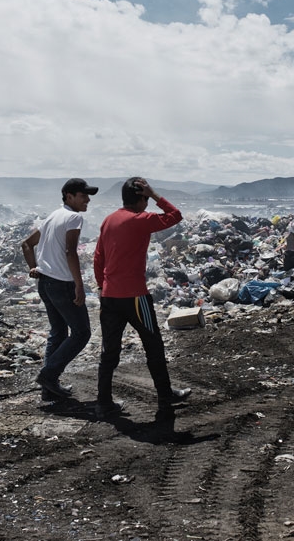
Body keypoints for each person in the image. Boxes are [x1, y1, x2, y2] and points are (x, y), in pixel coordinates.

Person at [92, 177, 192, 418]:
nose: (147, 203)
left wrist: (102, 286)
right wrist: (155, 194)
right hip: (135, 296)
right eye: (146, 199)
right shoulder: (141, 220)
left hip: (109, 296)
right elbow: (175, 215)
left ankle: (103, 402)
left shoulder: (108, 220)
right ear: (141, 199)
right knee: (153, 345)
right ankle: (165, 396)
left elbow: (98, 257)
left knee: (109, 351)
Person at [21, 178, 98, 401]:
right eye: (83, 196)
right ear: (69, 196)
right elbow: (70, 252)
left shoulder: (52, 216)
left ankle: (49, 388)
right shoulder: (74, 217)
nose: (87, 200)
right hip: (62, 284)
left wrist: (34, 267)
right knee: (81, 333)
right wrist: (79, 285)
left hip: (45, 283)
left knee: (58, 333)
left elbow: (26, 244)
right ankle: (48, 376)